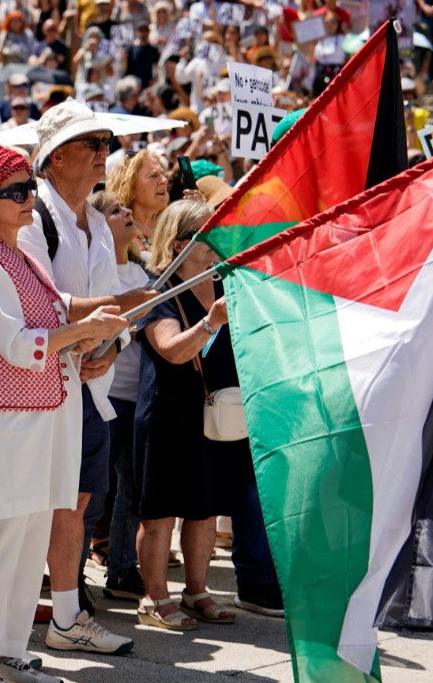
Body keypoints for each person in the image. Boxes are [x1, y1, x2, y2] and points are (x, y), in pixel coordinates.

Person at [0, 144, 129, 683]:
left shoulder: (18, 256)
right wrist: (83, 331)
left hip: (40, 416)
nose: (29, 199)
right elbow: (16, 342)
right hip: (4, 423)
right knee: (0, 540)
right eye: (16, 191)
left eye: (30, 188)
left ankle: (4, 656)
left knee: (27, 542)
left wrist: (92, 328)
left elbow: (45, 326)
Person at [18, 99, 153, 654]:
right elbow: (43, 303)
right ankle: (13, 618)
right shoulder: (29, 216)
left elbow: (104, 316)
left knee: (74, 506)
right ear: (54, 157)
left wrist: (114, 342)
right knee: (30, 509)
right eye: (92, 144)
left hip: (87, 391)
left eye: (106, 143)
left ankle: (67, 617)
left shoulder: (97, 222)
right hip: (41, 392)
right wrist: (121, 308)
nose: (105, 153)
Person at [134, 200, 258, 630]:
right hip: (170, 413)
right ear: (181, 243)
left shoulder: (225, 282)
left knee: (205, 509)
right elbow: (170, 350)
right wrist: (211, 322)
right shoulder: (158, 290)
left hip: (217, 413)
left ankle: (197, 591)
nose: (217, 244)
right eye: (209, 235)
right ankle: (155, 599)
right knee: (161, 512)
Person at [86, 191, 149, 603]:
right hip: (99, 391)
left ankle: (122, 568)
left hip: (132, 395)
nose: (126, 213)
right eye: (114, 210)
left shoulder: (143, 275)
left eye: (126, 209)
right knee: (94, 494)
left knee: (130, 488)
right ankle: (71, 577)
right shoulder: (99, 269)